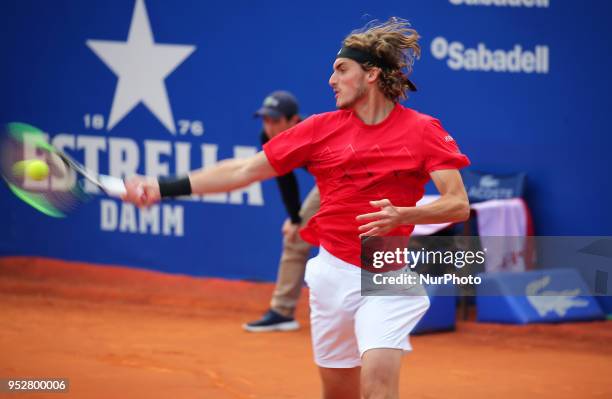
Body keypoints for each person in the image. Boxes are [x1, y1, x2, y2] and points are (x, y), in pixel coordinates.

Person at [123, 17, 470, 399]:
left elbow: (458, 204)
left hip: (387, 279)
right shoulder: (319, 129)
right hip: (331, 275)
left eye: (341, 69)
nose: (331, 80)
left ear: (371, 75)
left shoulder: (423, 130)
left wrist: (407, 214)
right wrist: (161, 186)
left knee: (378, 387)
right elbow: (243, 170)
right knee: (338, 392)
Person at [245, 91, 318, 332]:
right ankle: (282, 311)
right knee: (295, 237)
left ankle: (389, 304)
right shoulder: (268, 137)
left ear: (293, 120)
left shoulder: (311, 134)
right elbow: (284, 178)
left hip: (360, 180)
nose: (269, 126)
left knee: (372, 237)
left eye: (275, 120)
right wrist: (296, 218)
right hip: (329, 184)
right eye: (265, 120)